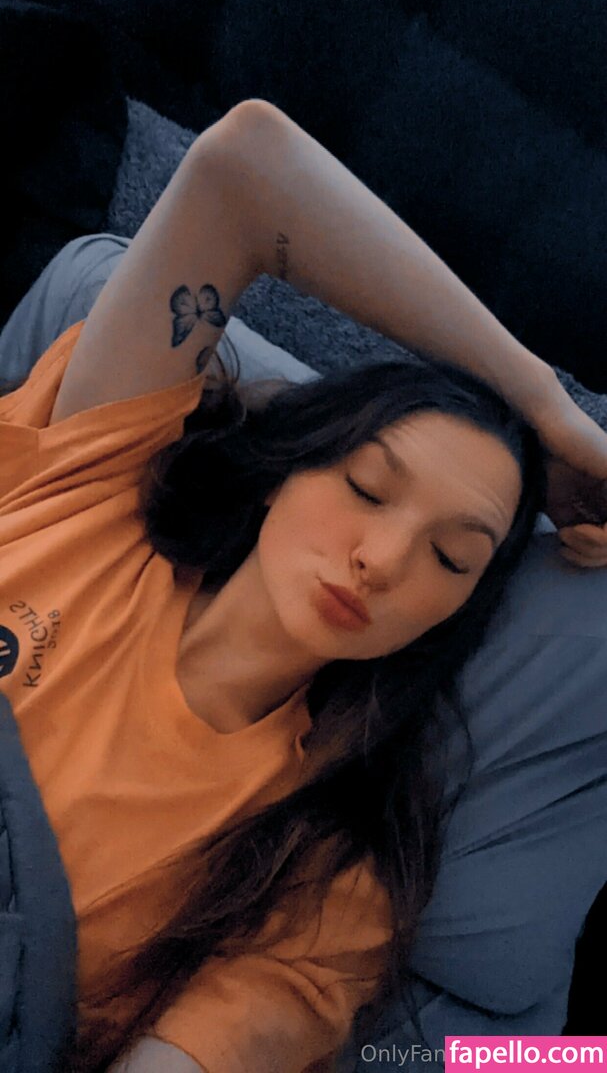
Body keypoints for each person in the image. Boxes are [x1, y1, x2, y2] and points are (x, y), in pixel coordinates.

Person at [0, 99, 606, 1073]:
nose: (385, 559)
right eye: (366, 487)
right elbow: (247, 167)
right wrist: (547, 407)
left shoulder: (322, 870)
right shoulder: (94, 485)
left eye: (451, 559)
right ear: (283, 467)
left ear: (451, 616)